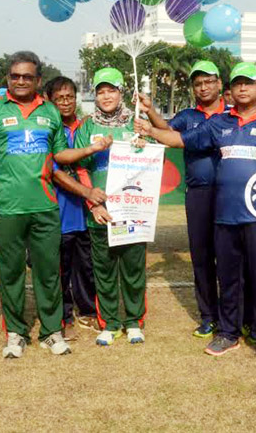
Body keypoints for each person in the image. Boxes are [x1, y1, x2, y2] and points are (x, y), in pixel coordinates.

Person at [136, 62, 256, 363]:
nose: (242, 88)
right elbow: (180, 139)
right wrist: (149, 129)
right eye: (238, 83)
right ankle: (227, 332)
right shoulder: (220, 123)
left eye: (248, 83)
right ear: (231, 89)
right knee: (229, 276)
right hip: (225, 215)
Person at [0, 51, 111, 359]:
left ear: (37, 80)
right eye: (14, 76)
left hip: (45, 207)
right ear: (8, 78)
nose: (20, 81)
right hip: (5, 208)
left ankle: (52, 331)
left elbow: (59, 157)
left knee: (49, 272)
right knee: (10, 274)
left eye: (27, 77)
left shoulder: (49, 111)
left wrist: (92, 148)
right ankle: (16, 333)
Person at [138, 60, 225, 339]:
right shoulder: (188, 115)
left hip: (230, 195)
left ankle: (234, 315)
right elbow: (168, 132)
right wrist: (150, 111)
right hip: (198, 194)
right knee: (201, 257)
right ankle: (209, 316)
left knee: (230, 257)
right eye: (198, 83)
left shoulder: (234, 115)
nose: (203, 87)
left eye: (209, 81)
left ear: (219, 83)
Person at [72, 68, 148, 347]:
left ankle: (134, 322)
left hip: (132, 211)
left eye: (111, 90)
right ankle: (110, 323)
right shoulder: (87, 125)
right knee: (103, 270)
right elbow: (79, 166)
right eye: (100, 91)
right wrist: (92, 203)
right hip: (100, 212)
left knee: (133, 269)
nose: (106, 96)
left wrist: (144, 144)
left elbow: (151, 164)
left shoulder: (136, 122)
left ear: (121, 92)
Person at [45, 76, 103, 340]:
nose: (66, 102)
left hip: (87, 211)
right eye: (60, 98)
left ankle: (88, 311)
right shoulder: (46, 130)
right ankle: (63, 316)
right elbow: (55, 171)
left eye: (70, 97)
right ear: (50, 100)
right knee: (60, 267)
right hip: (59, 209)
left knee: (86, 266)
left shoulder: (88, 126)